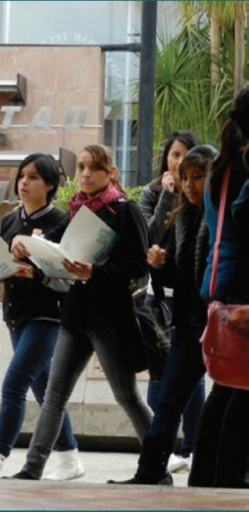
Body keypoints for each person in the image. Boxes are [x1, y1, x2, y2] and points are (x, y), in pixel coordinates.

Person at [7, 144, 152, 480]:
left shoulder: (124, 210)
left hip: (109, 317)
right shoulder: (76, 209)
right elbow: (56, 253)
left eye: (93, 168)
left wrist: (95, 273)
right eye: (81, 167)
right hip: (74, 316)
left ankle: (156, 465)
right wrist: (29, 252)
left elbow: (138, 265)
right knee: (54, 396)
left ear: (110, 173)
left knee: (127, 397)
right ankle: (32, 468)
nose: (85, 174)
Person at [0, 153, 84, 481]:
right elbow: (2, 268)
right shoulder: (9, 220)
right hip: (15, 315)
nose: (24, 182)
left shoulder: (61, 222)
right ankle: (70, 458)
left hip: (48, 316)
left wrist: (37, 271)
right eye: (21, 176)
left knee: (14, 384)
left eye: (33, 177)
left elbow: (69, 275)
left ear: (50, 184)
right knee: (45, 392)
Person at [109, 145, 217, 485]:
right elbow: (178, 278)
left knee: (223, 403)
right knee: (169, 401)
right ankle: (150, 472)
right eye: (185, 177)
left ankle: (212, 472)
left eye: (198, 177)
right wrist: (160, 263)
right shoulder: (182, 217)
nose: (190, 185)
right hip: (188, 325)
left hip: (220, 323)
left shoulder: (224, 218)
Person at [189, 88, 249, 489]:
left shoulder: (221, 169)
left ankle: (203, 476)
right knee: (243, 391)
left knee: (227, 386)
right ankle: (228, 476)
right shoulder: (244, 166)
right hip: (243, 285)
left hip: (222, 284)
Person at [138, 131, 203, 474]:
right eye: (175, 156)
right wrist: (166, 196)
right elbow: (149, 237)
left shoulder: (207, 207)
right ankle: (158, 461)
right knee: (163, 381)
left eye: (187, 158)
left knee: (196, 385)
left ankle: (195, 452)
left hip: (203, 307)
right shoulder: (156, 195)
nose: (179, 165)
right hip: (165, 301)